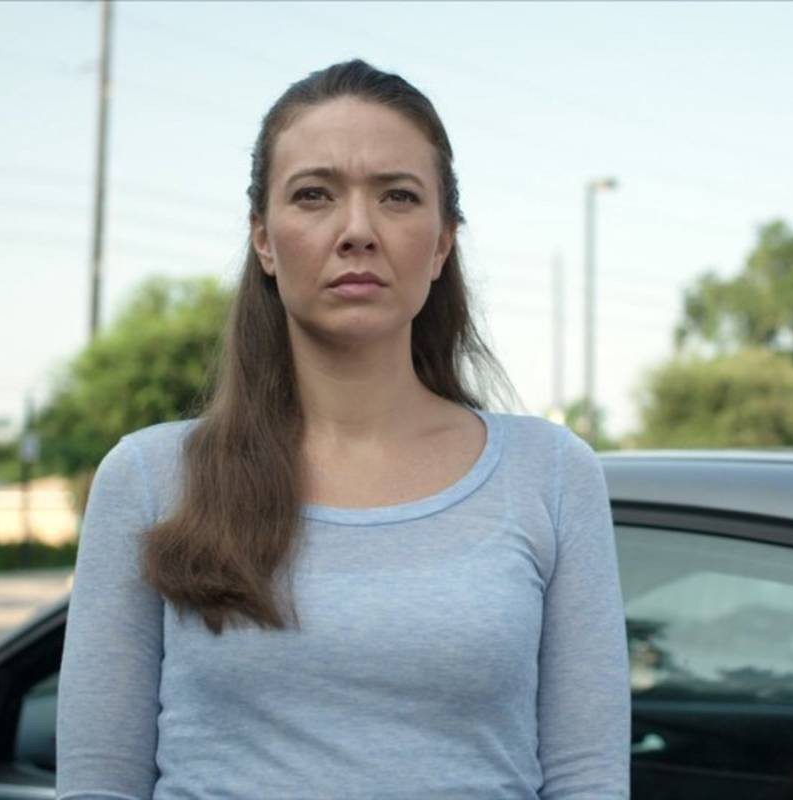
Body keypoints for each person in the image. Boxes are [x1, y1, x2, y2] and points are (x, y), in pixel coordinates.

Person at [55, 59, 629, 800]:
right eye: (314, 195)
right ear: (264, 239)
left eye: (397, 196)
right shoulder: (150, 477)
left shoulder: (550, 472)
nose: (357, 230)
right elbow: (99, 785)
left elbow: (588, 780)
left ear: (442, 242)